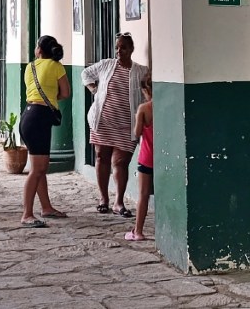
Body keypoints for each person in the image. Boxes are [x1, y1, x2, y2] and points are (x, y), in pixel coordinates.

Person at [83, 32, 149, 217]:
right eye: (117, 47)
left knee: (121, 163)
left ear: (131, 49)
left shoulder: (140, 71)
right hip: (102, 122)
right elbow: (86, 73)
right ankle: (103, 198)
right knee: (101, 158)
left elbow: (149, 86)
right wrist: (93, 89)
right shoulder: (106, 65)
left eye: (123, 47)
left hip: (126, 126)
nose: (119, 51)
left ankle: (118, 202)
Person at [19, 35, 71, 227]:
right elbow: (65, 93)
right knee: (37, 169)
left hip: (28, 115)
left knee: (40, 168)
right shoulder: (56, 66)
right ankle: (27, 214)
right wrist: (52, 97)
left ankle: (46, 207)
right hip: (40, 118)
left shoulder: (29, 66)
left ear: (39, 49)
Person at [125, 73, 153, 241]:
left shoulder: (143, 109)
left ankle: (138, 231)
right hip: (164, 158)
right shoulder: (166, 106)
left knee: (143, 195)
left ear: (145, 89)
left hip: (146, 157)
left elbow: (136, 133)